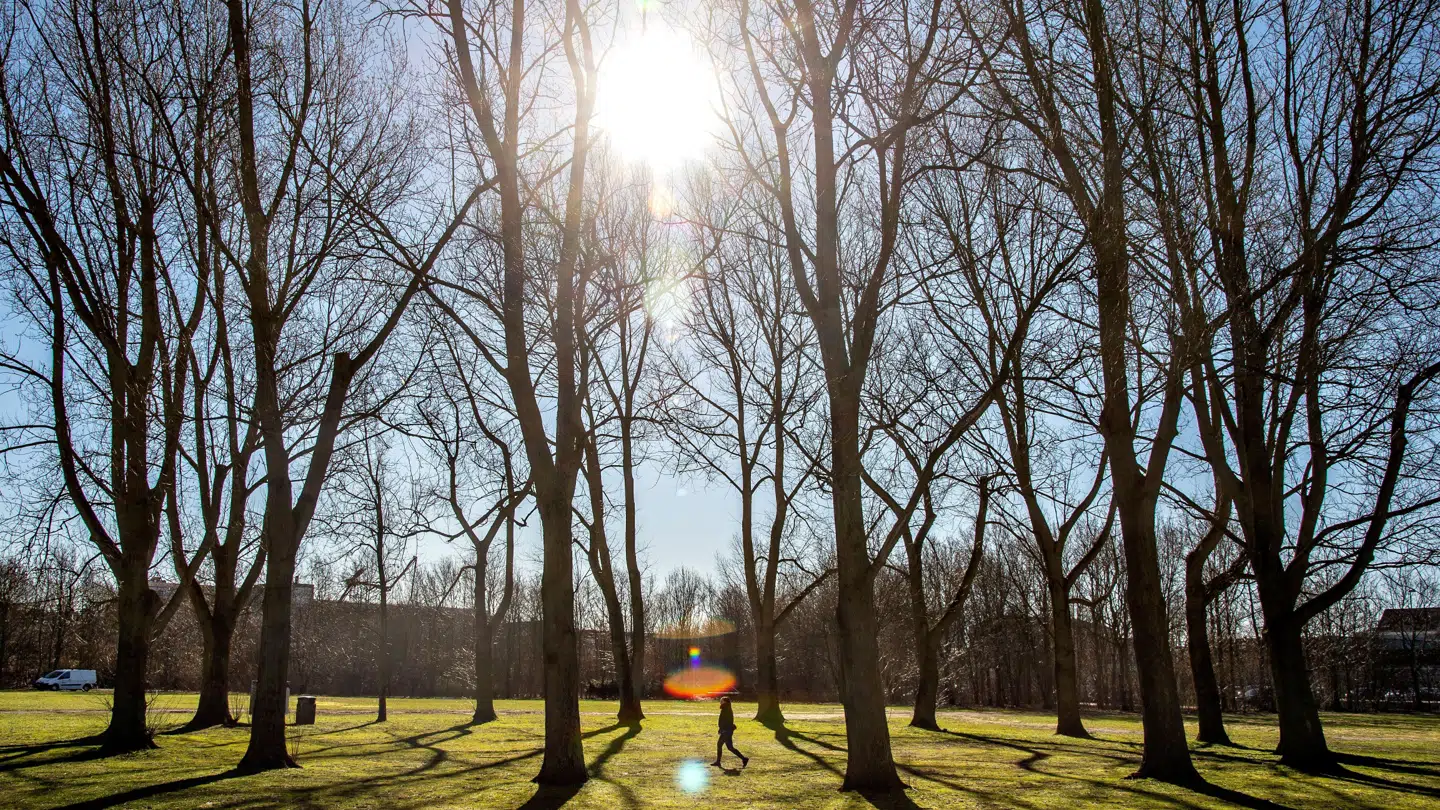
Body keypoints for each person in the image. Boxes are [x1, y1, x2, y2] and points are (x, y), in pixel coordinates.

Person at [712, 696, 748, 768]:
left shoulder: (726, 709)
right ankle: (744, 759)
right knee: (730, 747)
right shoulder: (725, 708)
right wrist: (721, 728)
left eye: (721, 700)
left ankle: (718, 762)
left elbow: (727, 721)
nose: (720, 701)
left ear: (725, 702)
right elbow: (723, 721)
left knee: (720, 745)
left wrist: (724, 730)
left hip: (726, 731)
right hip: (727, 731)